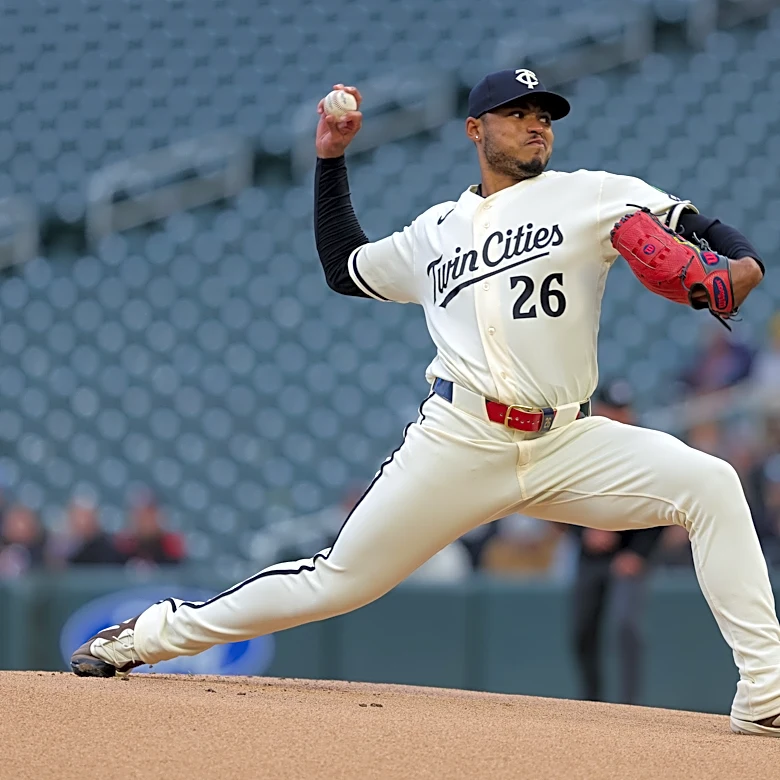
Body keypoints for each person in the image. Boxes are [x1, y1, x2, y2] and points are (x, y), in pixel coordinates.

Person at [70, 69, 779, 738]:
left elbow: (697, 223)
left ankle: (765, 693)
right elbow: (345, 267)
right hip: (461, 437)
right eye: (517, 114)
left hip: (568, 441)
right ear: (475, 130)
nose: (536, 124)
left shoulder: (591, 193)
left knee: (711, 484)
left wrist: (744, 261)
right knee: (336, 582)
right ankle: (150, 634)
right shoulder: (433, 231)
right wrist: (330, 160)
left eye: (544, 116)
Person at [570, 380, 663, 705]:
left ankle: (629, 707)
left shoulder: (645, 446)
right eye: (615, 409)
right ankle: (591, 701)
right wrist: (584, 532)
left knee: (626, 626)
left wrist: (639, 553)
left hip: (628, 554)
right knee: (583, 630)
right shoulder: (581, 443)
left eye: (626, 409)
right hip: (591, 553)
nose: (622, 416)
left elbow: (662, 504)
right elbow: (555, 497)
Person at [114, 490, 185, 567]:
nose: (144, 519)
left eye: (148, 513)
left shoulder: (168, 546)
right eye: (139, 514)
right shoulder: (123, 547)